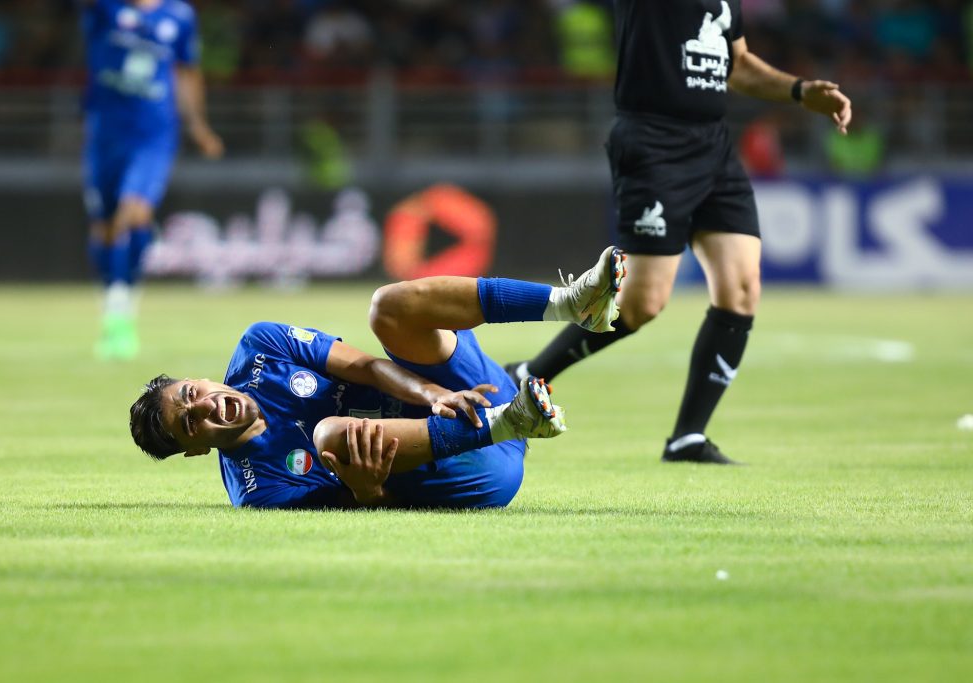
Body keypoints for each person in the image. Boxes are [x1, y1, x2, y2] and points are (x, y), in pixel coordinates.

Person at [507, 0, 852, 465]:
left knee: (742, 289)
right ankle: (530, 372)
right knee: (642, 303)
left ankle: (688, 437)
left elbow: (738, 64)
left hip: (713, 147)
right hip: (654, 144)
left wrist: (799, 90)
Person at [129, 247, 626, 509]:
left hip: (470, 392)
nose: (205, 405)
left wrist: (434, 393)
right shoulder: (259, 491)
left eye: (190, 394)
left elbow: (365, 365)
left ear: (196, 379)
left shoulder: (260, 346)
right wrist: (368, 492)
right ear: (196, 450)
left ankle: (569, 303)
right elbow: (368, 506)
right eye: (190, 423)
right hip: (474, 471)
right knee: (329, 435)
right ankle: (512, 422)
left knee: (386, 306)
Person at [81, 0, 224, 360]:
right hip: (105, 134)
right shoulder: (104, 8)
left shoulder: (179, 16)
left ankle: (122, 308)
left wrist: (198, 125)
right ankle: (114, 301)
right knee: (105, 228)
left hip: (154, 136)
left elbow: (187, 71)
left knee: (135, 212)